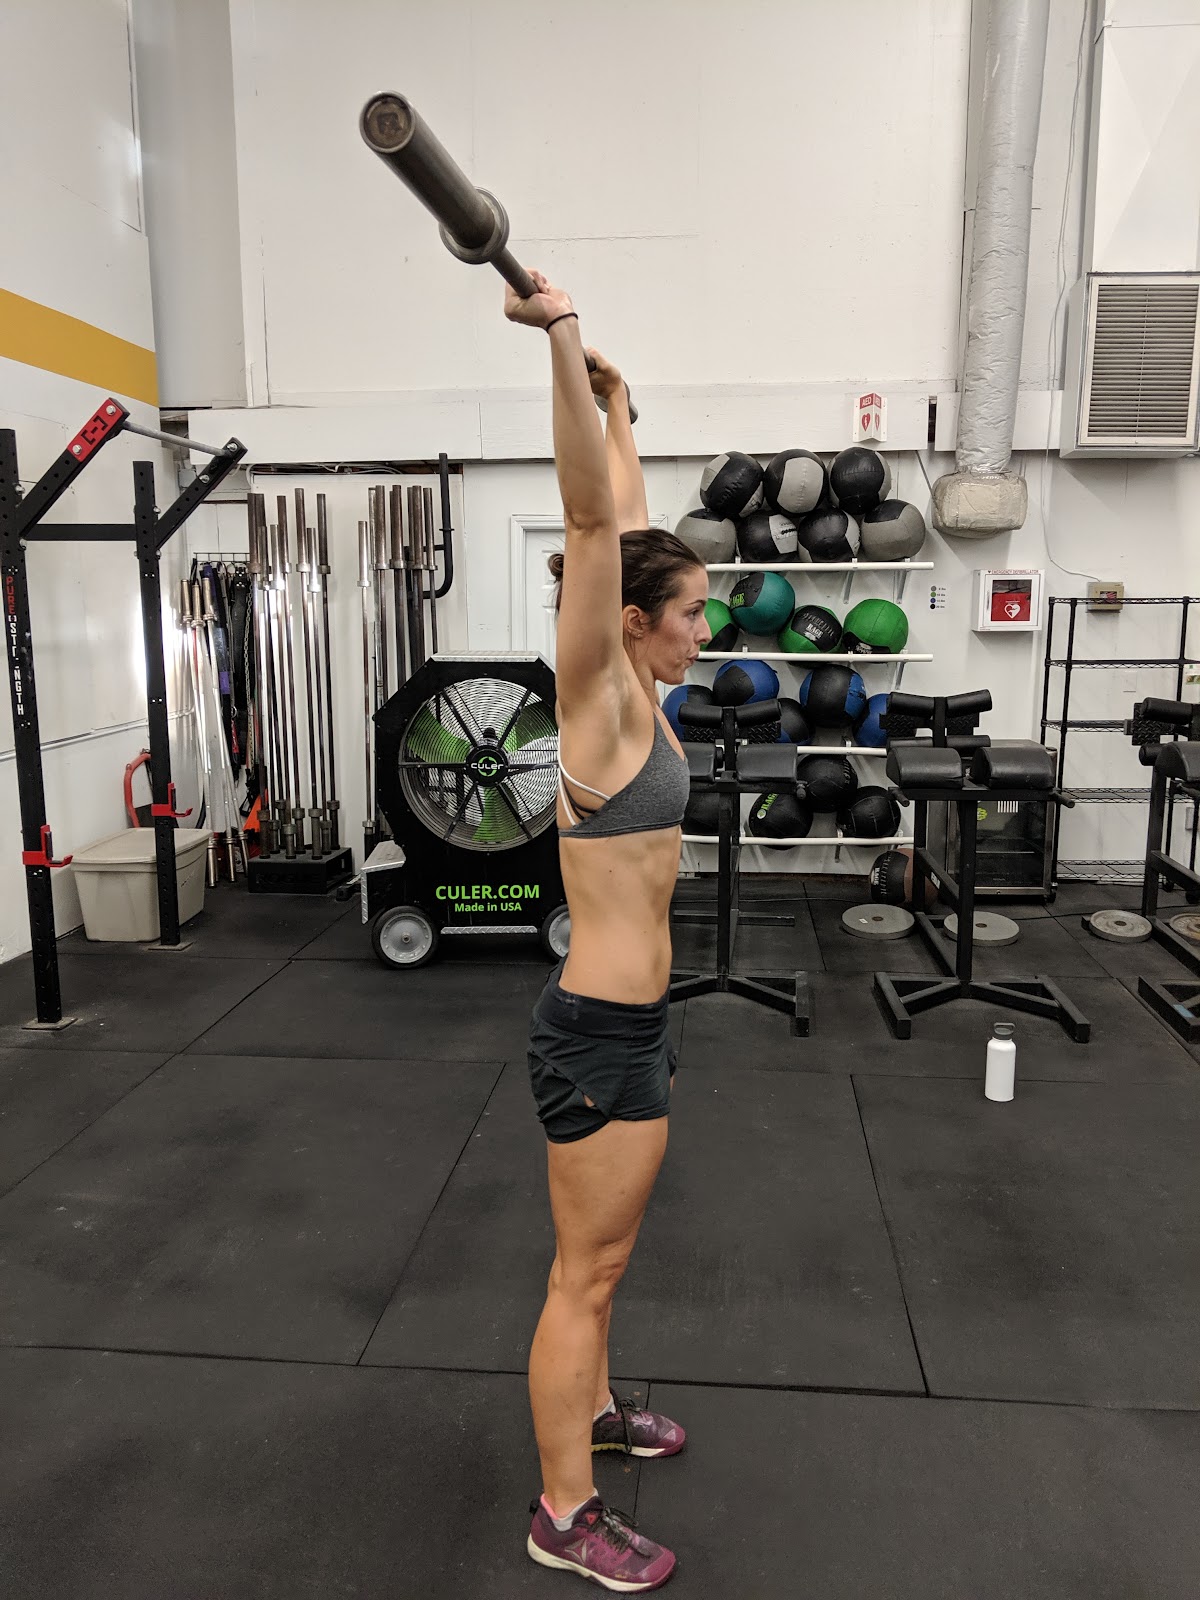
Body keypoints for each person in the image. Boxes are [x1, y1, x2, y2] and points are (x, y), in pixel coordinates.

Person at [505, 270, 710, 1593]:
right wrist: (564, 339)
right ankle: (564, 1512)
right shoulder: (603, 701)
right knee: (579, 1275)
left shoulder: (641, 679)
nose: (710, 624)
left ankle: (591, 1414)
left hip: (631, 1026)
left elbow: (623, 515)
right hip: (594, 1032)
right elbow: (594, 524)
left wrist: (620, 405)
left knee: (611, 1259)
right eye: (694, 611)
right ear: (634, 627)